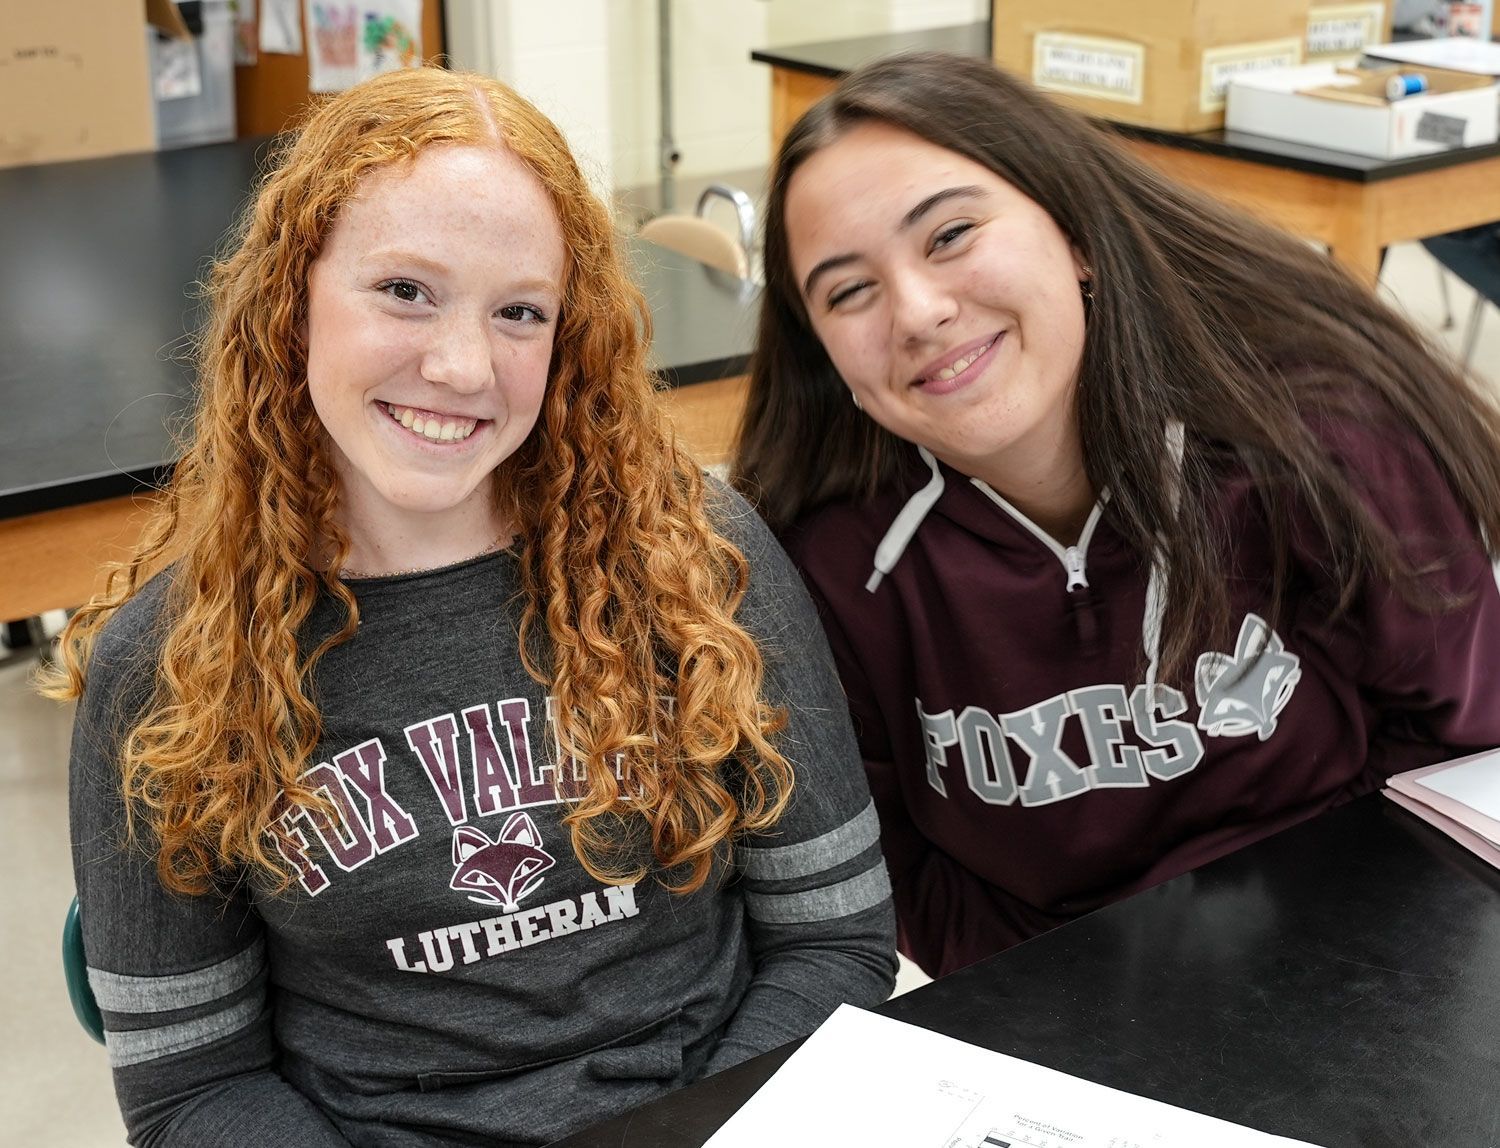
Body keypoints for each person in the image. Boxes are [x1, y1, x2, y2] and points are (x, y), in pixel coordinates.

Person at [48, 67, 895, 1147]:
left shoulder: (699, 562)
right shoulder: (168, 663)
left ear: (568, 333)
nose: (459, 364)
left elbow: (837, 938)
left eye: (519, 312)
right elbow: (188, 1087)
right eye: (404, 289)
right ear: (291, 296)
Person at [732, 51, 1500, 979]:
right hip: (1064, 1026)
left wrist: (1324, 960)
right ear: (826, 357)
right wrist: (1090, 1005)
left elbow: (1461, 742)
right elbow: (893, 872)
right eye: (849, 291)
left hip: (1368, 967)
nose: (919, 310)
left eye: (950, 234)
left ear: (1077, 236)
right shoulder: (827, 567)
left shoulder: (1317, 436)